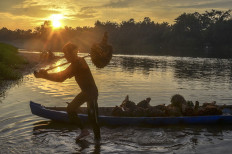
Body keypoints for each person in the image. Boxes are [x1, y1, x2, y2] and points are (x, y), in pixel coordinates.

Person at [34, 43, 100, 141]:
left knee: (93, 119)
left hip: (91, 93)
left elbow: (61, 78)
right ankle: (86, 132)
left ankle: (97, 141)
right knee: (71, 110)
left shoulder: (79, 63)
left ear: (73, 52)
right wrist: (46, 74)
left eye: (66, 53)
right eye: (64, 54)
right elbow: (61, 74)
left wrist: (44, 76)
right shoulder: (75, 63)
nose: (65, 56)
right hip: (86, 93)